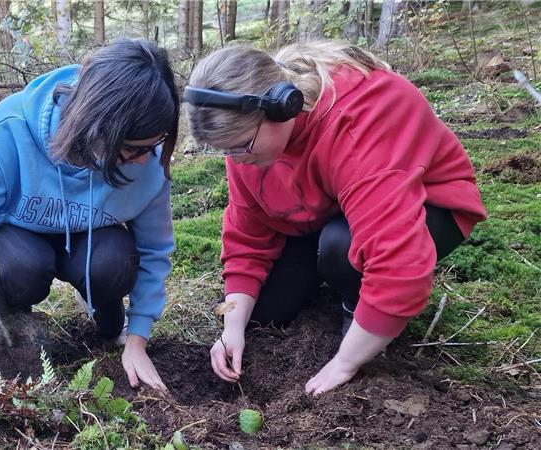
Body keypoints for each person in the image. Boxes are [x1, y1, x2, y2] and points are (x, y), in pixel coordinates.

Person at [183, 41, 487, 395]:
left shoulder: (359, 120)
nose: (235, 160)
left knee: (341, 246)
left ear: (283, 108)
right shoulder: (249, 149)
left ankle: (357, 307)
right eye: (226, 152)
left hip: (430, 208)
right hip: (325, 212)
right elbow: (248, 236)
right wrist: (230, 328)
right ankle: (335, 278)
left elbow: (400, 265)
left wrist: (346, 362)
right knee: (265, 311)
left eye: (241, 147)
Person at [0, 39, 178, 392]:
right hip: (17, 244)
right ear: (96, 127)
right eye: (132, 149)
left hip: (89, 241)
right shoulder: (10, 130)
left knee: (114, 262)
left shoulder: (148, 164)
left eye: (153, 145)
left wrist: (138, 339)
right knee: (20, 268)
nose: (144, 159)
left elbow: (155, 251)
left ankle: (105, 314)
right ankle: (18, 327)